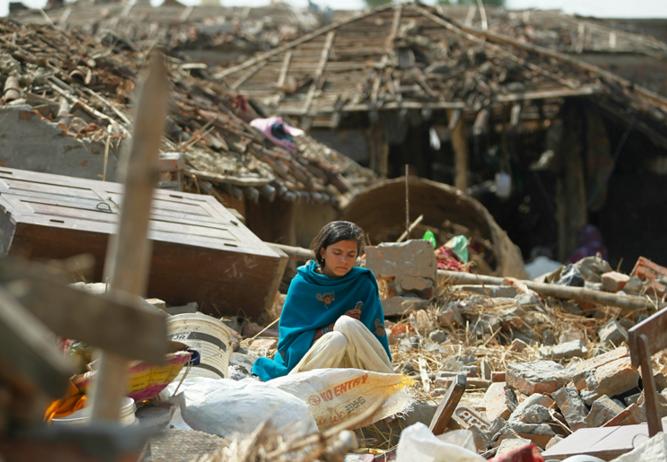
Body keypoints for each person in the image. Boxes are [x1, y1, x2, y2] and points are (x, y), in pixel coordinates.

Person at [252, 221, 393, 381]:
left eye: (350, 255)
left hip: (354, 366)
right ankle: (299, 387)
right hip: (312, 365)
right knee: (337, 338)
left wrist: (347, 325)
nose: (344, 261)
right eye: (337, 252)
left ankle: (389, 384)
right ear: (323, 252)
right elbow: (291, 342)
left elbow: (372, 337)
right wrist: (331, 328)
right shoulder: (303, 284)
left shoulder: (362, 283)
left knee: (348, 324)